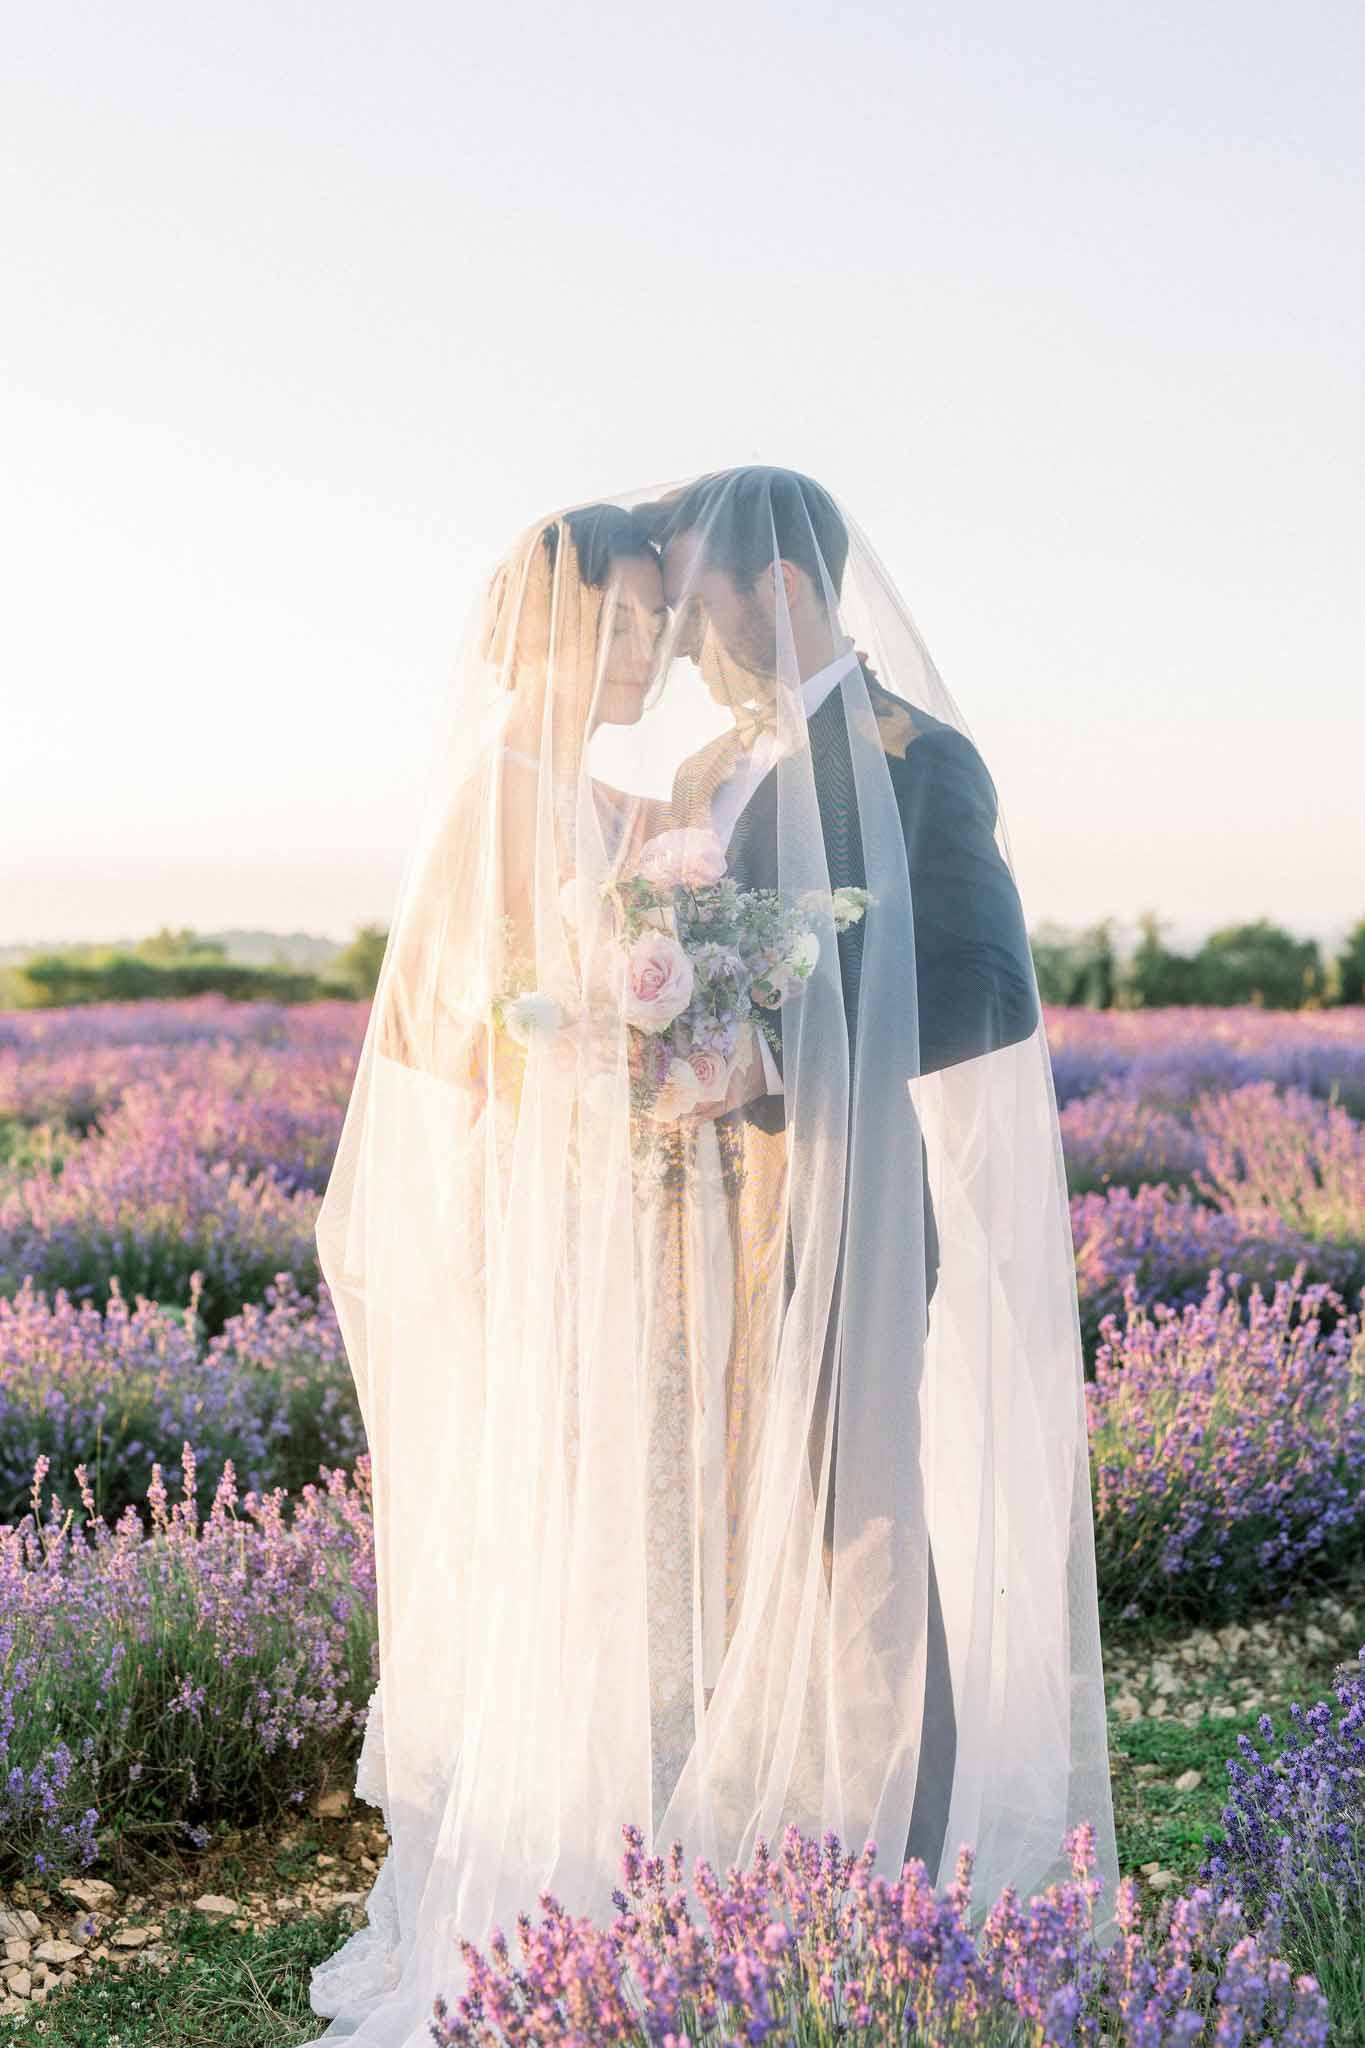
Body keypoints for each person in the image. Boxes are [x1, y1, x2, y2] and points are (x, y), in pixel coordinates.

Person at [306, 470, 1119, 2047]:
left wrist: (776, 1058)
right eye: (639, 613)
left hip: (847, 1217)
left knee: (863, 1531)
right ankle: (733, 1847)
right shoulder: (692, 771)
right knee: (709, 1544)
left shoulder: (910, 757)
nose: (673, 645)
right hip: (682, 1234)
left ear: (781, 596)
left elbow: (982, 990)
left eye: (690, 603)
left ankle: (910, 1865)